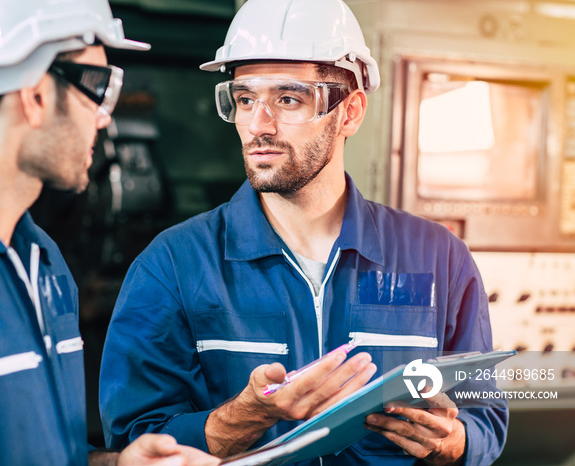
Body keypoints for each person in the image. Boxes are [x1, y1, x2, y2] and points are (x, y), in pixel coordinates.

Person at [99, 0, 508, 465]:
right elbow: (134, 441)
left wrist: (453, 442)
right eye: (245, 98)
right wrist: (245, 417)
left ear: (350, 113)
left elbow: (485, 418)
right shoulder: (172, 265)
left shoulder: (439, 258)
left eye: (288, 99)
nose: (258, 125)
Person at [0, 0, 218, 465]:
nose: (104, 116)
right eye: (97, 87)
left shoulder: (42, 260)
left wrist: (115, 464)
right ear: (36, 95)